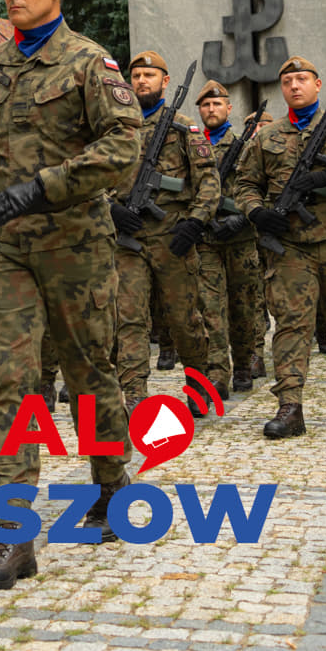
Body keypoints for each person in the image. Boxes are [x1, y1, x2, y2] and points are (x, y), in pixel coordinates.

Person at [0, 0, 138, 591]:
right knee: (10, 384)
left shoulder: (88, 63)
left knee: (88, 374)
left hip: (77, 244)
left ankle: (110, 481)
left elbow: (124, 148)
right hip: (6, 250)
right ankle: (14, 534)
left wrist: (45, 186)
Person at [233, 56, 326, 439]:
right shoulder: (267, 137)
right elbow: (245, 184)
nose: (294, 86)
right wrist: (257, 212)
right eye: (288, 81)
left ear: (317, 85)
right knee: (291, 324)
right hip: (290, 247)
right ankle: (290, 406)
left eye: (302, 79)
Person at [109, 51, 220, 407]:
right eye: (136, 75)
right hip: (127, 240)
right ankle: (135, 395)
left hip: (173, 238)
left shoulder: (183, 127)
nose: (142, 81)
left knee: (184, 320)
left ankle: (198, 383)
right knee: (129, 319)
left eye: (150, 75)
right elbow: (94, 176)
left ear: (165, 81)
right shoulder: (116, 127)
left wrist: (195, 222)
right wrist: (110, 208)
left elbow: (209, 182)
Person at [196, 81, 269, 392]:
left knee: (244, 308)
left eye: (217, 104)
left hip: (240, 239)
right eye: (206, 105)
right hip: (205, 239)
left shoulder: (248, 146)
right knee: (209, 308)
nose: (211, 109)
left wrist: (241, 218)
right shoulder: (192, 146)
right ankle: (217, 372)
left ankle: (242, 364)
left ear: (229, 108)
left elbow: (263, 189)